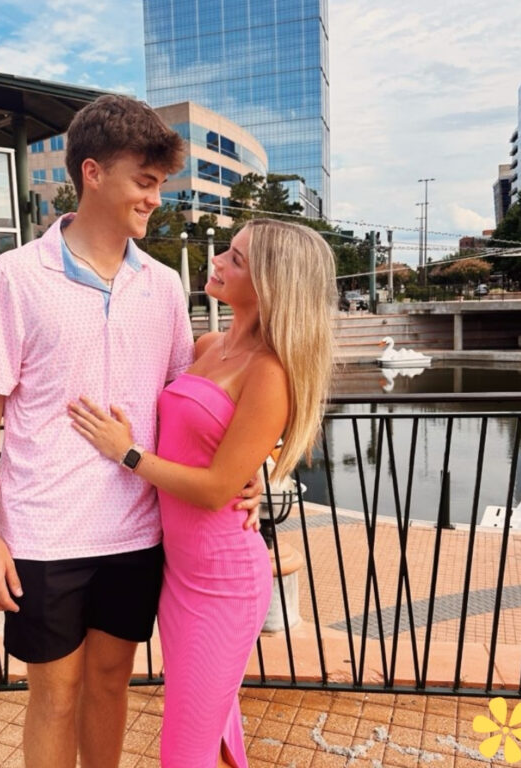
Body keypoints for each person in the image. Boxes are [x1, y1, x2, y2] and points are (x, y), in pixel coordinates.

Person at [0, 94, 262, 768]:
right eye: (144, 182)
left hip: (138, 531)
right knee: (54, 695)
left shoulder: (162, 285)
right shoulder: (14, 277)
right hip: (44, 533)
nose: (155, 199)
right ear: (92, 173)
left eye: (159, 184)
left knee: (109, 683)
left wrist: (252, 473)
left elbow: (187, 402)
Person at [69, 218, 337, 768]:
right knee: (211, 732)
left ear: (270, 284)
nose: (217, 261)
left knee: (183, 751)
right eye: (227, 252)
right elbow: (199, 438)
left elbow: (215, 490)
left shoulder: (270, 371)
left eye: (235, 259)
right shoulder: (210, 345)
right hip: (179, 574)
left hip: (224, 583)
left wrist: (127, 453)